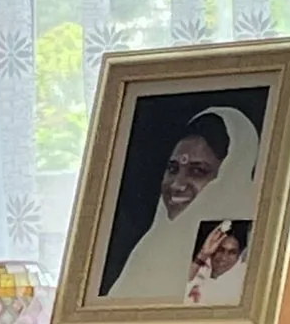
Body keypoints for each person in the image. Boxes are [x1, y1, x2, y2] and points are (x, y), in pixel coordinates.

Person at [105, 105, 261, 302]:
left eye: (198, 171)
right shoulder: (149, 249)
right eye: (173, 168)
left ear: (232, 174)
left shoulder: (256, 249)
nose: (177, 184)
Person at [187, 219, 250, 305]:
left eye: (232, 252)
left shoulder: (242, 282)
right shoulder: (199, 268)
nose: (224, 257)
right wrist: (203, 255)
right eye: (220, 250)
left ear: (239, 255)